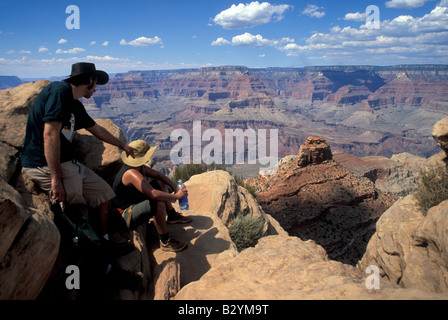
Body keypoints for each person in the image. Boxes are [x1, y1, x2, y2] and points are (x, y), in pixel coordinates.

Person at [21, 62, 136, 241]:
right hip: (43, 163)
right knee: (78, 208)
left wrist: (123, 146)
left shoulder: (75, 105)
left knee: (104, 195)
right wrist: (56, 179)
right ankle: (89, 252)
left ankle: (105, 239)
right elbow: (50, 135)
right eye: (96, 83)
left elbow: (96, 129)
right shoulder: (59, 91)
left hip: (70, 164)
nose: (96, 89)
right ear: (89, 80)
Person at [112, 139, 191, 252]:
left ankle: (172, 215)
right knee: (157, 202)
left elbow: (159, 175)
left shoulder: (138, 167)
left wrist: (174, 187)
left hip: (133, 201)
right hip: (124, 215)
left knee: (159, 183)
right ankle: (165, 241)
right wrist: (177, 196)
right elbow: (153, 194)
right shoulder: (131, 173)